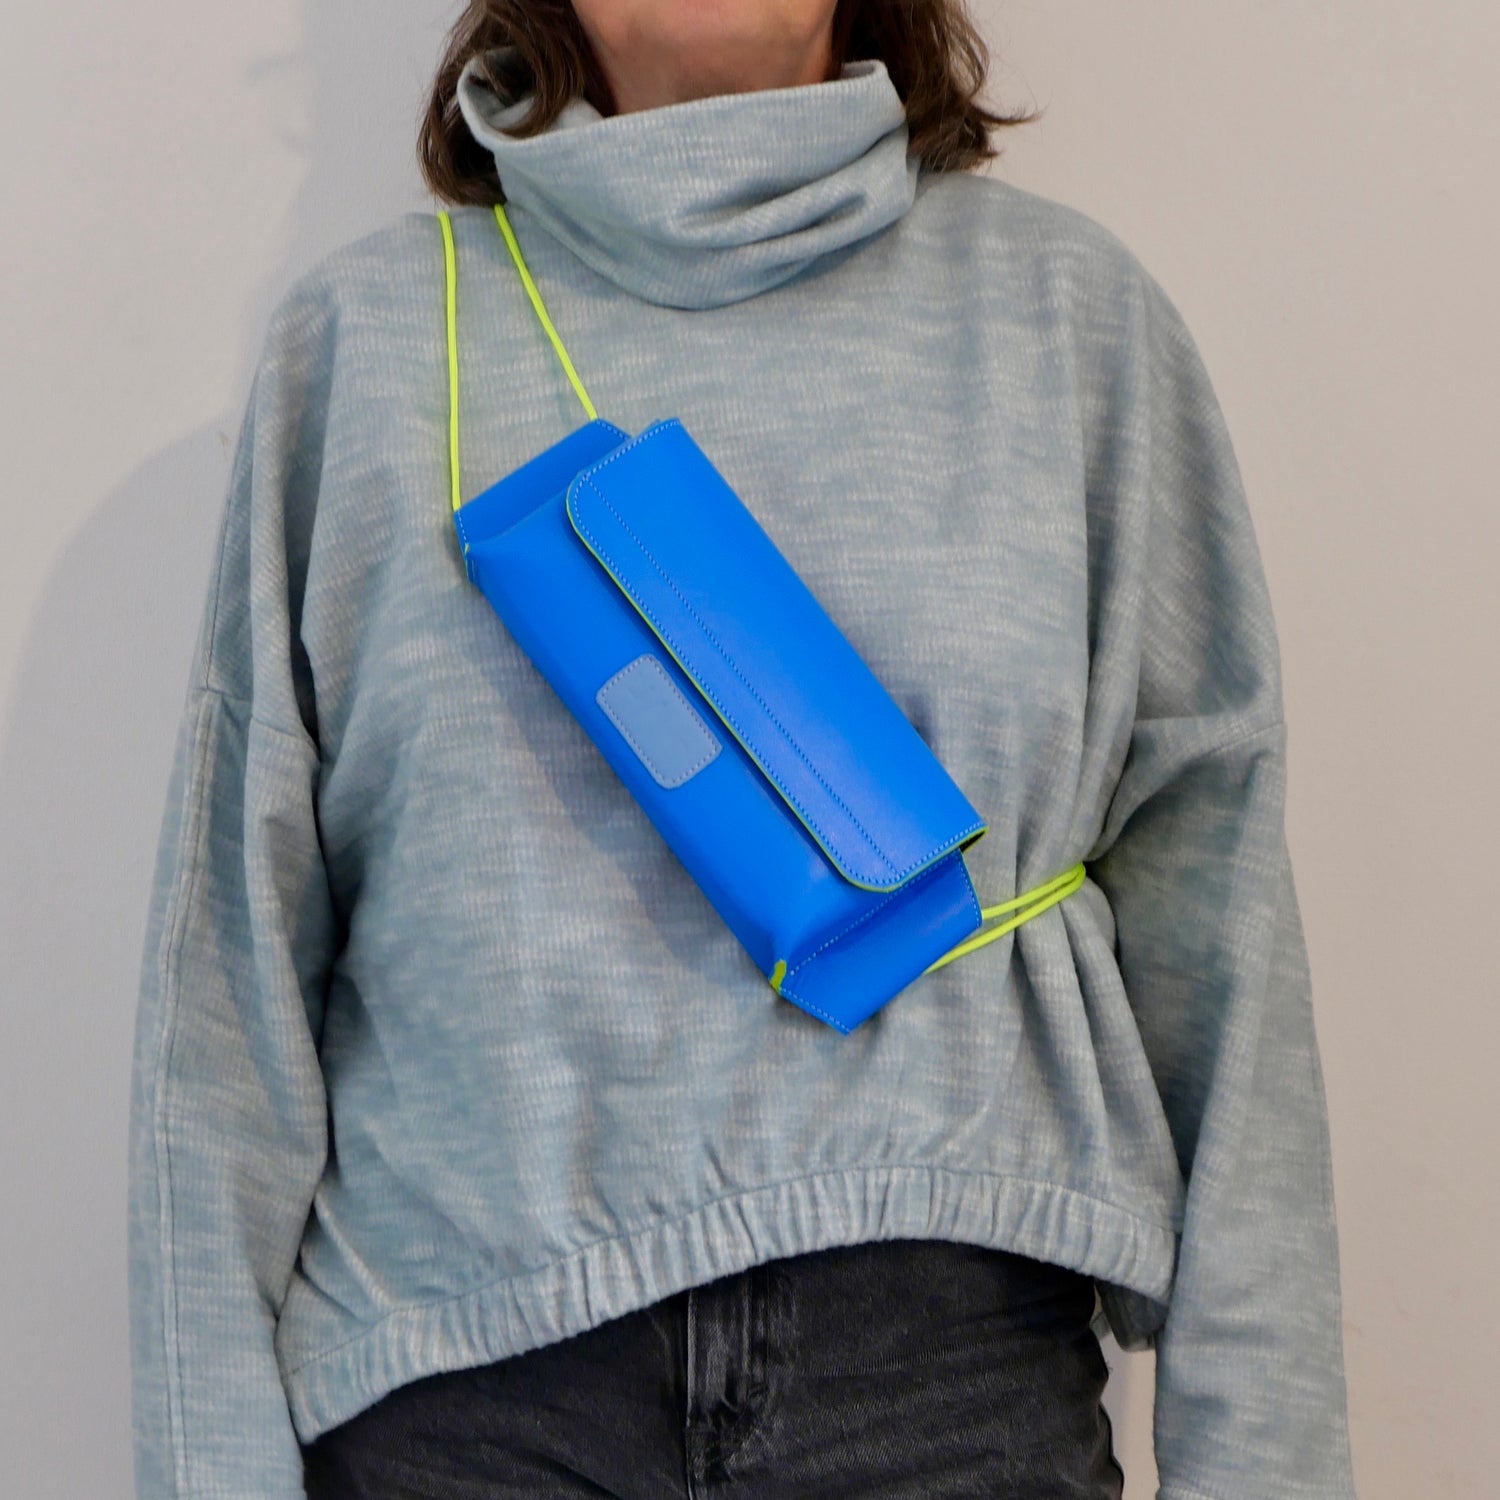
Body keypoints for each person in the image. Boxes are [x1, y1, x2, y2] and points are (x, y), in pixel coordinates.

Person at [126, 2, 1358, 1496]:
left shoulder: (1071, 321)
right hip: (465, 1399)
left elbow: (1223, 937)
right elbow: (228, 1000)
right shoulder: (368, 342)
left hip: (949, 1376)